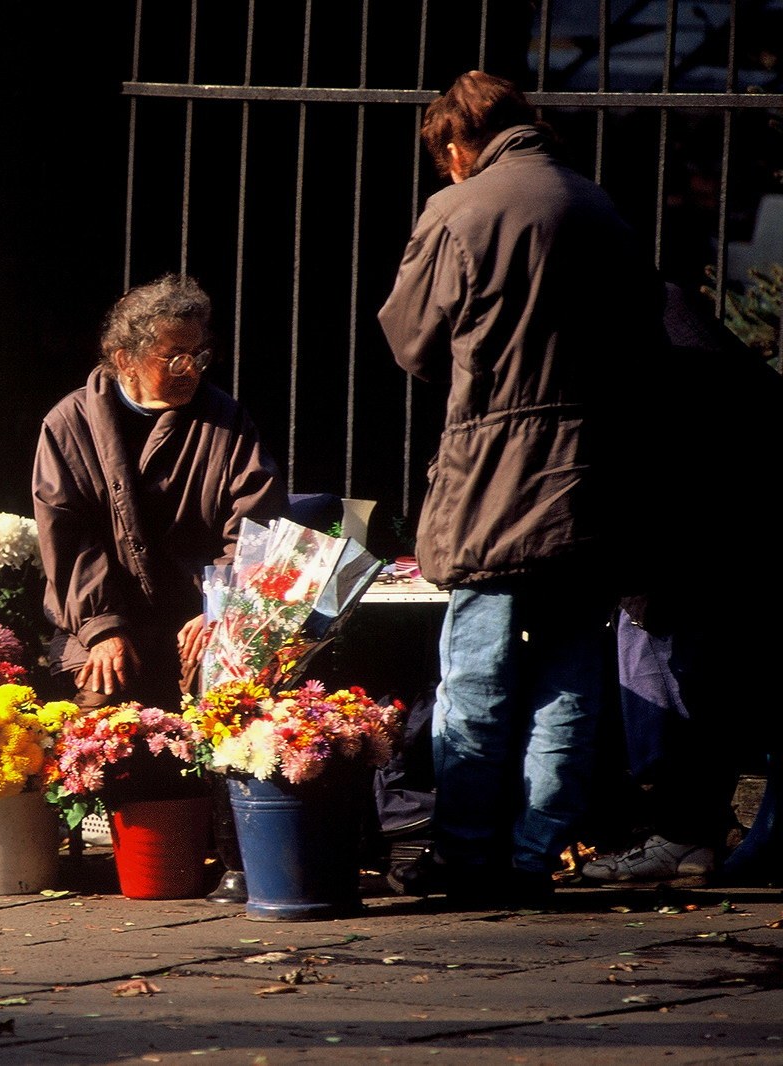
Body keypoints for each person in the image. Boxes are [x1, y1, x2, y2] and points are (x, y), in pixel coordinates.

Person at [375, 71, 666, 908]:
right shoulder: (599, 206)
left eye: (446, 160)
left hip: (496, 473)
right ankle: (536, 856)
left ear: (458, 147)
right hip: (592, 477)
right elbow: (644, 342)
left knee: (477, 673)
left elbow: (412, 341)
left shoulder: (459, 210)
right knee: (572, 673)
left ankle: (465, 857)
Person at [579, 281, 783, 887]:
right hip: (703, 547)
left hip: (688, 552)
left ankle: (683, 838)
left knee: (678, 694)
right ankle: (690, 834)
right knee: (688, 689)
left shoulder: (654, 335)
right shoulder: (671, 324)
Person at [33, 273, 289, 714]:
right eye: (174, 358)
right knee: (100, 709)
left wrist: (220, 608)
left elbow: (257, 525)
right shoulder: (68, 424)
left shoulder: (226, 419)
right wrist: (102, 626)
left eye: (198, 356)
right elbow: (68, 539)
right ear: (125, 360)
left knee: (229, 700)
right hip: (100, 615)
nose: (189, 370)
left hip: (199, 612)